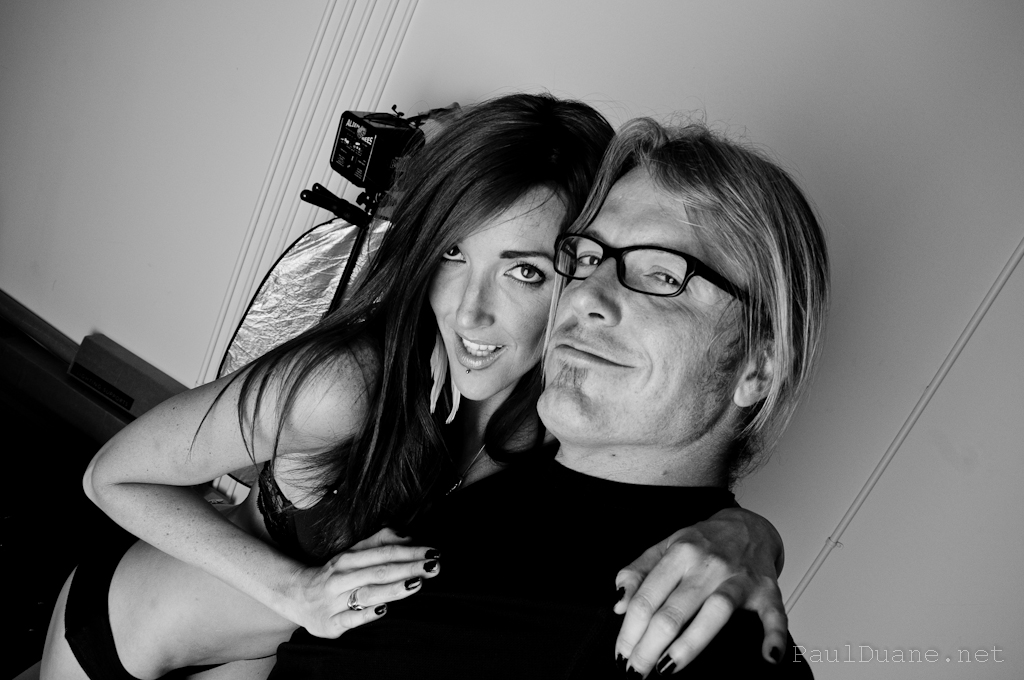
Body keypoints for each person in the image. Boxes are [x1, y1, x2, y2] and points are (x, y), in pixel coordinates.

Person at [39, 95, 788, 680]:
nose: (469, 312)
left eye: (525, 271)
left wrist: (751, 535)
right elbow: (111, 476)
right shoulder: (351, 384)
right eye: (452, 256)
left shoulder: (562, 423)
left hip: (260, 660)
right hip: (124, 633)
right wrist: (296, 592)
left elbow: (655, 484)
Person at [267, 117, 828, 678]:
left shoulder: (697, 630)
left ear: (758, 368)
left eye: (662, 274)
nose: (584, 297)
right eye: (588, 258)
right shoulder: (481, 455)